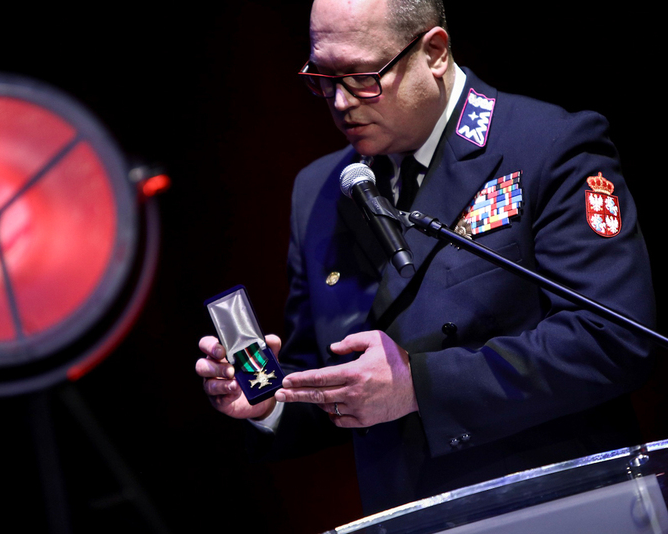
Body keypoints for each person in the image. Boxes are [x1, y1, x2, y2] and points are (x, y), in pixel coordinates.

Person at [196, 0, 656, 515]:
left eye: (361, 76)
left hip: (561, 504)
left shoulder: (546, 146)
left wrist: (421, 385)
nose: (340, 101)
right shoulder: (318, 193)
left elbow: (614, 337)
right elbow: (338, 378)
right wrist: (270, 401)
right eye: (322, 78)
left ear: (434, 52)